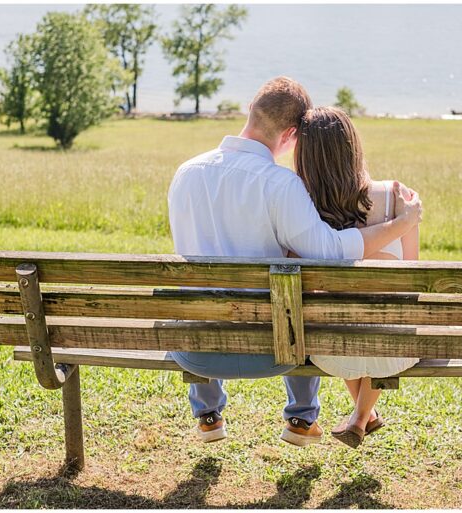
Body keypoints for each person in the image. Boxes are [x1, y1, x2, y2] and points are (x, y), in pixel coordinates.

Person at [166, 77, 423, 446]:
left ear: (250, 112)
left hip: (194, 351)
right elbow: (329, 251)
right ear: (290, 134)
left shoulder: (185, 172)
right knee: (297, 293)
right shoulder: (281, 184)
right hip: (272, 351)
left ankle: (209, 412)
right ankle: (302, 418)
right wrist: (401, 223)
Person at [294, 106, 421, 448]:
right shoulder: (397, 198)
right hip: (397, 350)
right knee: (382, 322)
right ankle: (362, 417)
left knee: (341, 321)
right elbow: (413, 276)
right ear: (353, 145)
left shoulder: (300, 204)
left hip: (330, 351)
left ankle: (362, 417)